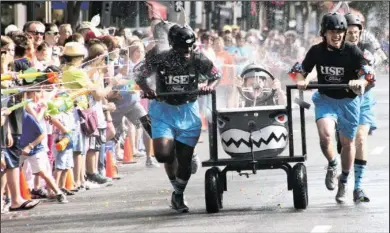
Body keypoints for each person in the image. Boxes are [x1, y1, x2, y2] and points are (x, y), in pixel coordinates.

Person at [134, 24, 221, 212]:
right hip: (163, 110)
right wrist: (147, 89)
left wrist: (209, 85)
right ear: (172, 44)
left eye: (190, 46)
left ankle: (178, 195)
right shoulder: (159, 57)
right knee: (164, 155)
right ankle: (166, 139)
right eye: (183, 47)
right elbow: (138, 73)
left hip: (188, 112)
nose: (187, 50)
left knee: (184, 162)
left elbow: (216, 74)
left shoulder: (198, 57)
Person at [292, 12, 375, 204]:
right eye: (332, 31)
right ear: (324, 33)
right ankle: (332, 164)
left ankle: (344, 180)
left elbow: (369, 76)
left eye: (340, 31)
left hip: (349, 102)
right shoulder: (316, 51)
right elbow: (299, 71)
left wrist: (360, 82)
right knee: (326, 135)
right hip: (326, 99)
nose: (336, 35)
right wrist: (301, 81)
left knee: (347, 144)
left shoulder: (353, 51)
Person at [334, 13, 377, 203]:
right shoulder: (335, 49)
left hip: (364, 97)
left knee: (360, 138)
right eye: (349, 32)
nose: (353, 35)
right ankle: (343, 178)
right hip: (343, 99)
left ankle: (358, 187)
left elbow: (368, 67)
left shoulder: (366, 49)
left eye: (356, 31)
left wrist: (360, 79)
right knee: (347, 143)